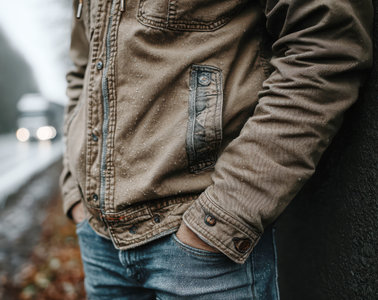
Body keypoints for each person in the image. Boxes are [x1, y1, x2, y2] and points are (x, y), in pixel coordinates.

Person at [61, 0, 372, 298]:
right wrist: (73, 191)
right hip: (98, 238)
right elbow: (82, 69)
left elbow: (325, 45)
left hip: (200, 241)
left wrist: (228, 211)